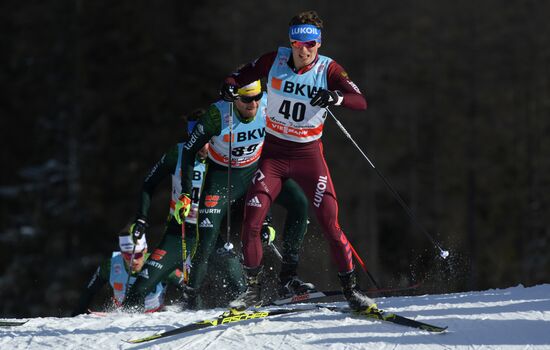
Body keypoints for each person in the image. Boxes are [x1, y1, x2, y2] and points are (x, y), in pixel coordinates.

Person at [219, 10, 375, 310]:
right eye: (297, 43)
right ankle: (252, 291)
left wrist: (335, 97)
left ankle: (351, 291)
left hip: (308, 155)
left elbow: (360, 100)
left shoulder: (329, 69)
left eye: (311, 44)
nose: (304, 50)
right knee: (251, 222)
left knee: (330, 223)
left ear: (319, 43)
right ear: (290, 42)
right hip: (274, 155)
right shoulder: (273, 60)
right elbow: (240, 76)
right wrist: (228, 84)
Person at [174, 80, 312, 309]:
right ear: (234, 98)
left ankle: (288, 278)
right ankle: (190, 297)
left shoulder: (269, 103)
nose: (253, 103)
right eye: (247, 99)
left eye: (257, 97)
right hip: (222, 177)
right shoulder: (216, 115)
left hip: (257, 170)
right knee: (207, 238)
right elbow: (188, 151)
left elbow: (298, 112)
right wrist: (186, 194)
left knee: (299, 203)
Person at [121, 114, 224, 309]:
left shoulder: (224, 155)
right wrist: (142, 217)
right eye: (197, 141)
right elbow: (148, 183)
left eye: (208, 141)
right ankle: (119, 330)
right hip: (179, 234)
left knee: (238, 284)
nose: (203, 148)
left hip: (211, 233)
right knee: (138, 289)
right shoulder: (177, 154)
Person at [72, 232, 182, 316]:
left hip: (154, 316)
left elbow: (188, 286)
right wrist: (75, 317)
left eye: (137, 255)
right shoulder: (111, 265)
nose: (133, 260)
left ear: (145, 250)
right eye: (128, 256)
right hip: (122, 317)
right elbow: (89, 291)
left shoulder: (160, 262)